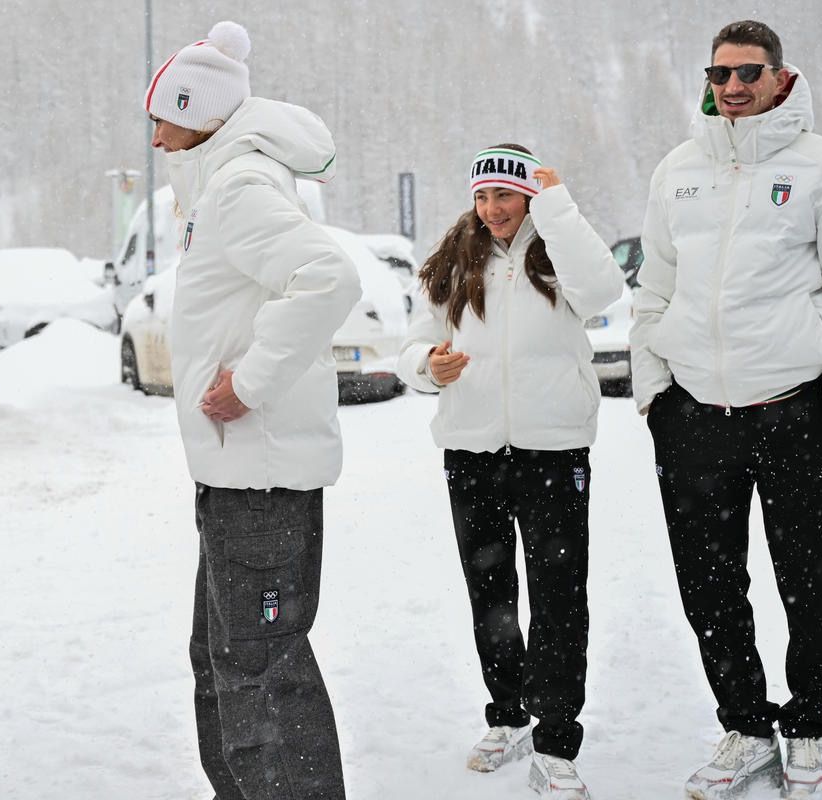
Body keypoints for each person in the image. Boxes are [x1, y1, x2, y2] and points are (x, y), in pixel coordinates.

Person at [629, 20, 822, 800]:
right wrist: (655, 393)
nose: (733, 86)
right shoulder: (678, 170)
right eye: (719, 74)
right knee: (709, 587)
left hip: (796, 415)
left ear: (782, 77)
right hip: (694, 419)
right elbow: (654, 288)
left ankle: (808, 725)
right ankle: (746, 726)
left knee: (810, 582)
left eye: (749, 72)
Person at [142, 20, 360, 800]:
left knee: (260, 668)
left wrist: (251, 382)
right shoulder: (222, 183)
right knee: (224, 659)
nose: (156, 138)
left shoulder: (237, 187)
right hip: (241, 476)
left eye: (163, 119)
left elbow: (329, 278)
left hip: (259, 478)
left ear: (200, 114)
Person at [396, 145, 624, 800]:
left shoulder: (558, 247)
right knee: (490, 593)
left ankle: (555, 739)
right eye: (482, 196)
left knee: (558, 594)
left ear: (529, 195)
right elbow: (412, 342)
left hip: (552, 449)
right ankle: (508, 716)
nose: (493, 209)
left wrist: (558, 208)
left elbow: (604, 292)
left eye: (505, 195)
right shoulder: (453, 261)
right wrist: (426, 365)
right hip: (472, 450)